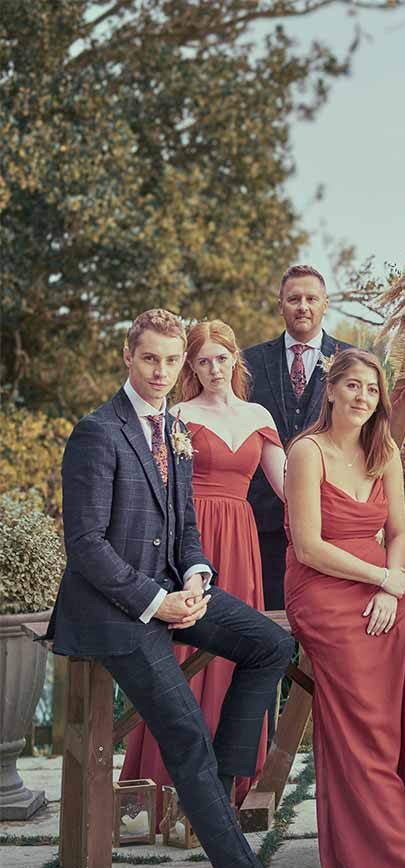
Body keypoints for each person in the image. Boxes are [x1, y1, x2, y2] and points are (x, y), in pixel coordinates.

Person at [46, 309, 329, 868]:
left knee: (269, 645)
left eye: (173, 361)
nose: (163, 371)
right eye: (151, 359)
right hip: (117, 614)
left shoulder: (173, 427)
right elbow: (87, 545)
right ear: (128, 356)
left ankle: (219, 796)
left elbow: (186, 529)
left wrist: (197, 576)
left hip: (176, 595)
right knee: (186, 736)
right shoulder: (98, 431)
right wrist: (158, 602)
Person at [283, 348, 405, 868]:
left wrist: (391, 586)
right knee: (370, 728)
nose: (362, 396)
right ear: (329, 390)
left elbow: (400, 532)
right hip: (325, 592)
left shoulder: (385, 453)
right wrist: (381, 574)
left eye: (371, 389)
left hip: (383, 589)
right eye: (352, 385)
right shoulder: (306, 452)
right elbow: (308, 546)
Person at [121, 320, 285, 820]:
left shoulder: (259, 415)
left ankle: (228, 780)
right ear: (191, 367)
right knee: (185, 653)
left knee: (241, 655)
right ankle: (170, 786)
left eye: (222, 358)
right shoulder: (177, 416)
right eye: (203, 360)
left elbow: (289, 490)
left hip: (241, 541)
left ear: (236, 360)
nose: (214, 368)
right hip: (189, 544)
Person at [245, 265, 352, 610]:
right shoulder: (248, 362)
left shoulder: (351, 361)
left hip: (329, 518)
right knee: (266, 623)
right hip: (262, 519)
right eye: (293, 299)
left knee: (325, 620)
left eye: (311, 299)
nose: (302, 306)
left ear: (325, 304)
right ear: (281, 306)